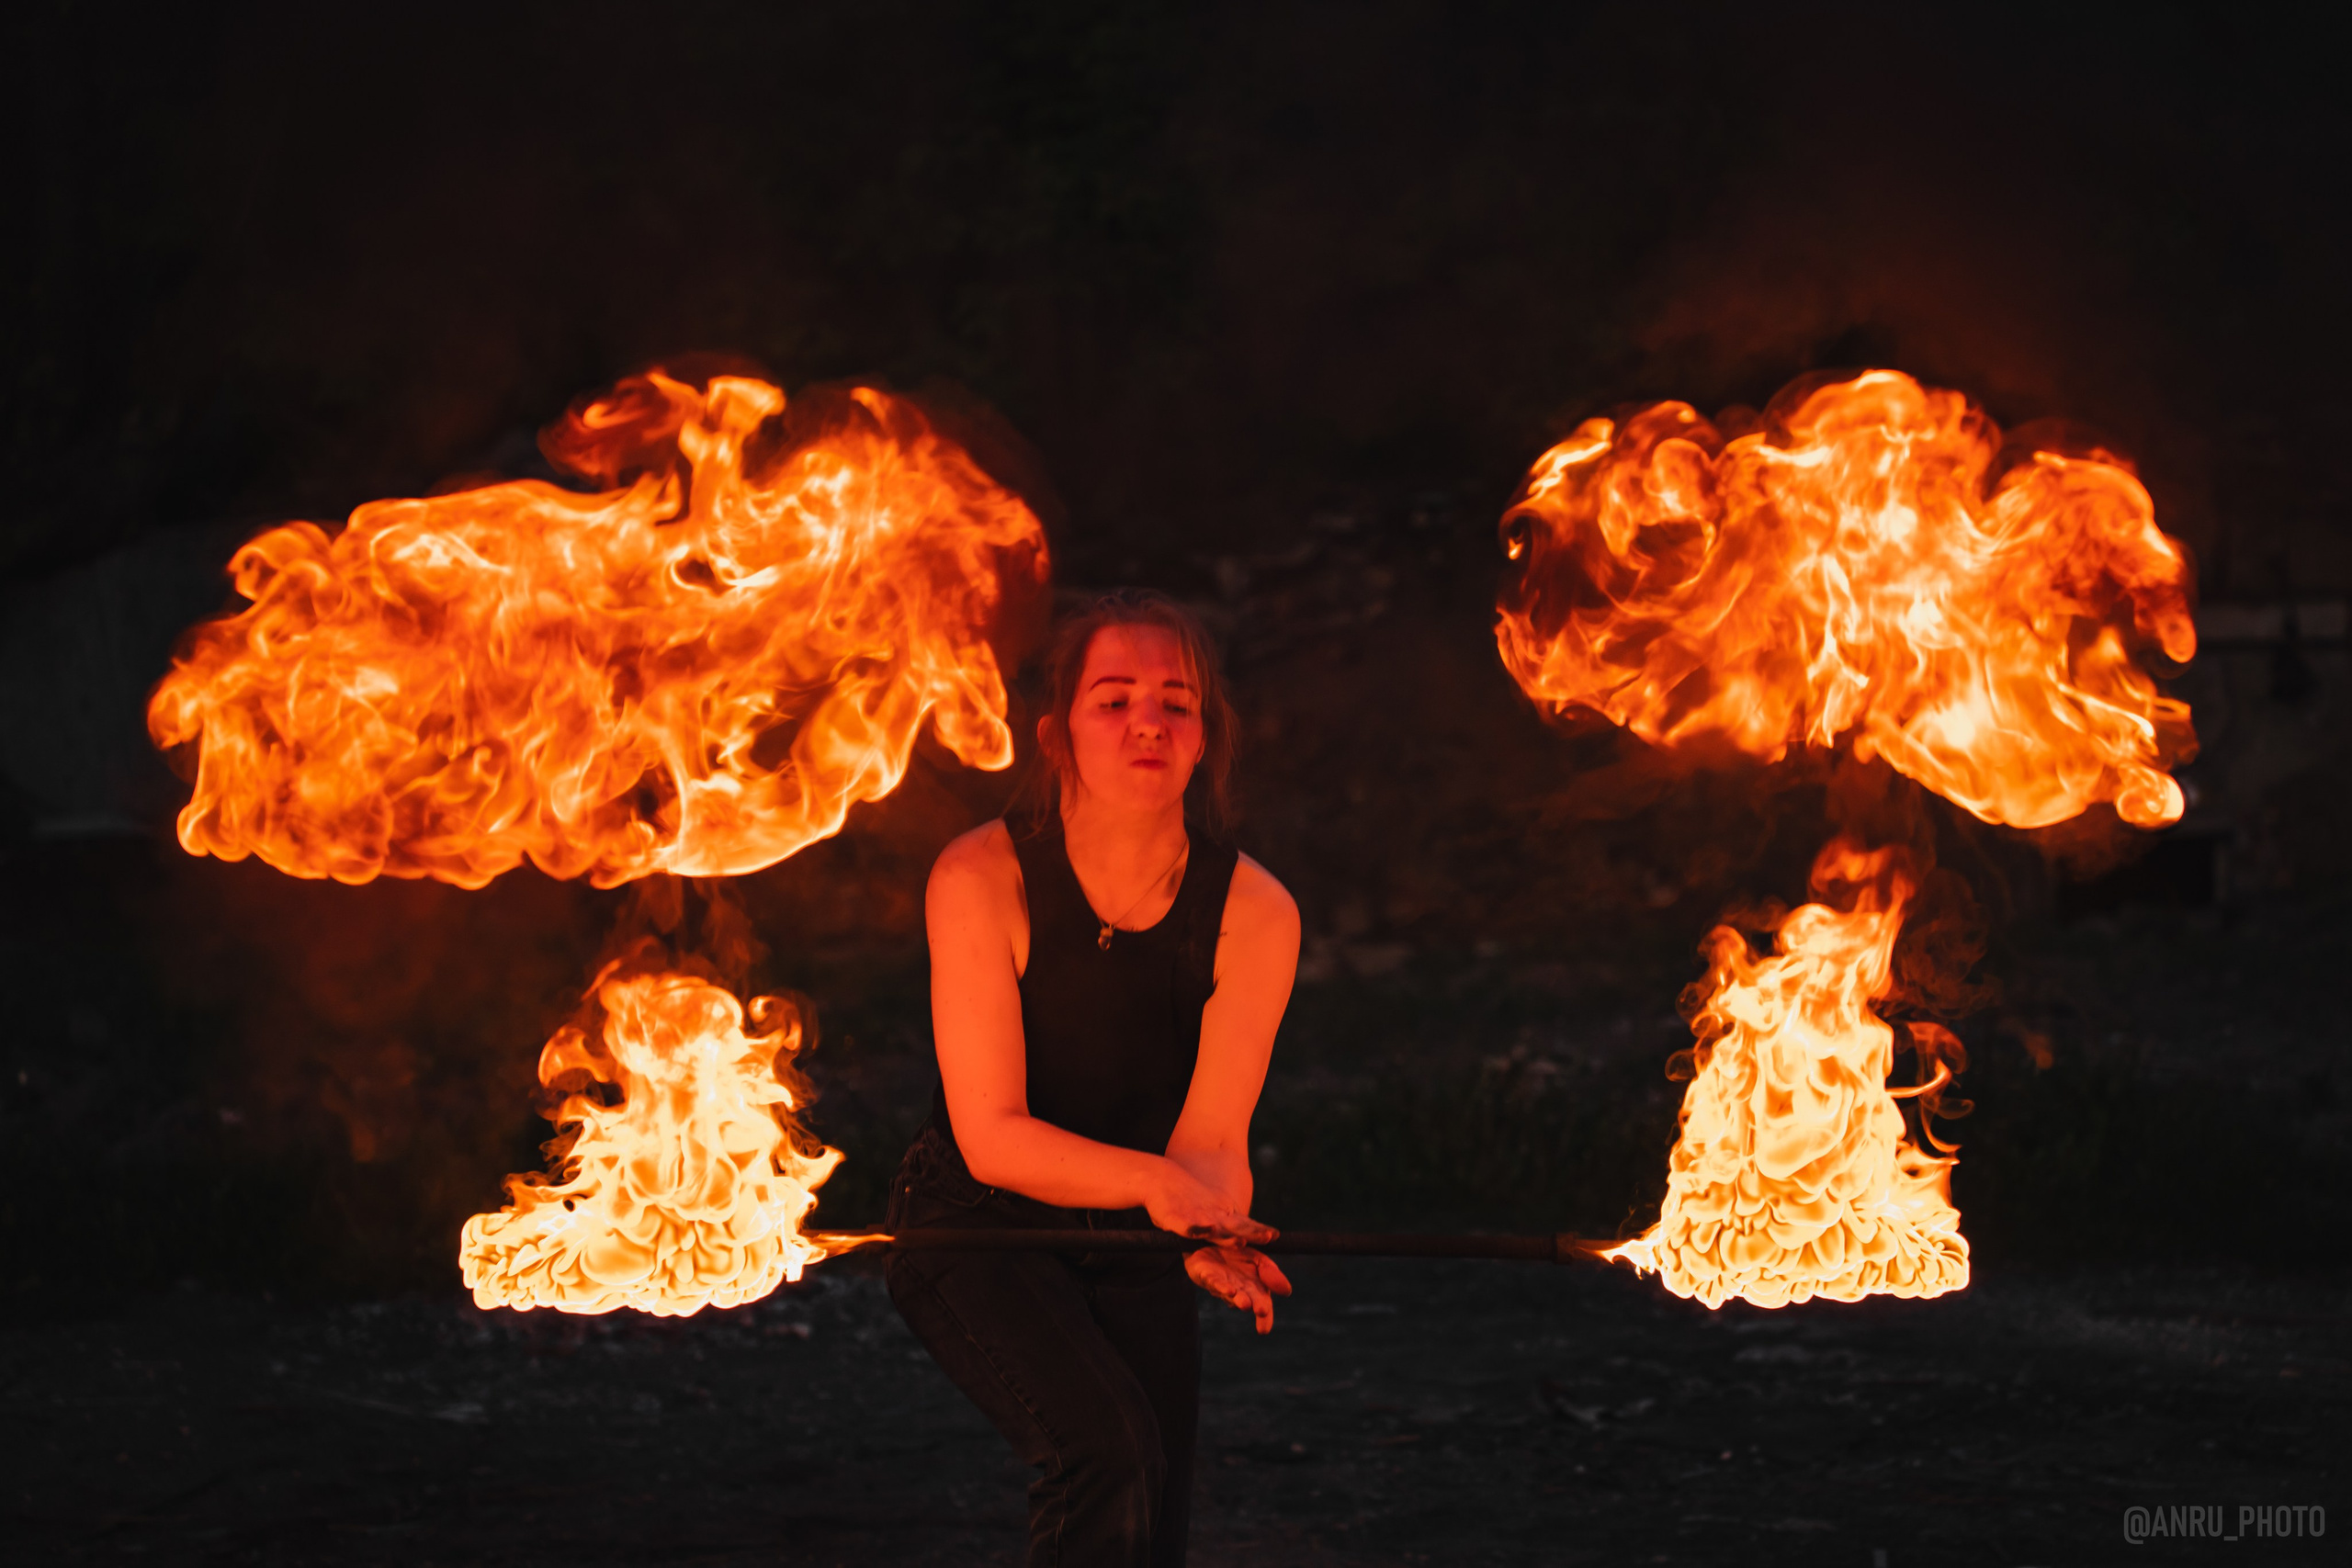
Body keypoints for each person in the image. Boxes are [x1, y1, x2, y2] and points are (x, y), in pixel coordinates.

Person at [885, 589, 1301, 1568]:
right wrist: (1163, 1191)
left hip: (1136, 1238)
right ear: (1056, 736)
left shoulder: (1256, 909)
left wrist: (1207, 1224)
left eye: (1176, 702)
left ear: (1204, 738)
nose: (1147, 721)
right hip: (979, 1224)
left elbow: (1209, 1139)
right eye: (1112, 700)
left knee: (1150, 1516)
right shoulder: (979, 879)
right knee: (1104, 1452)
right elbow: (993, 1133)